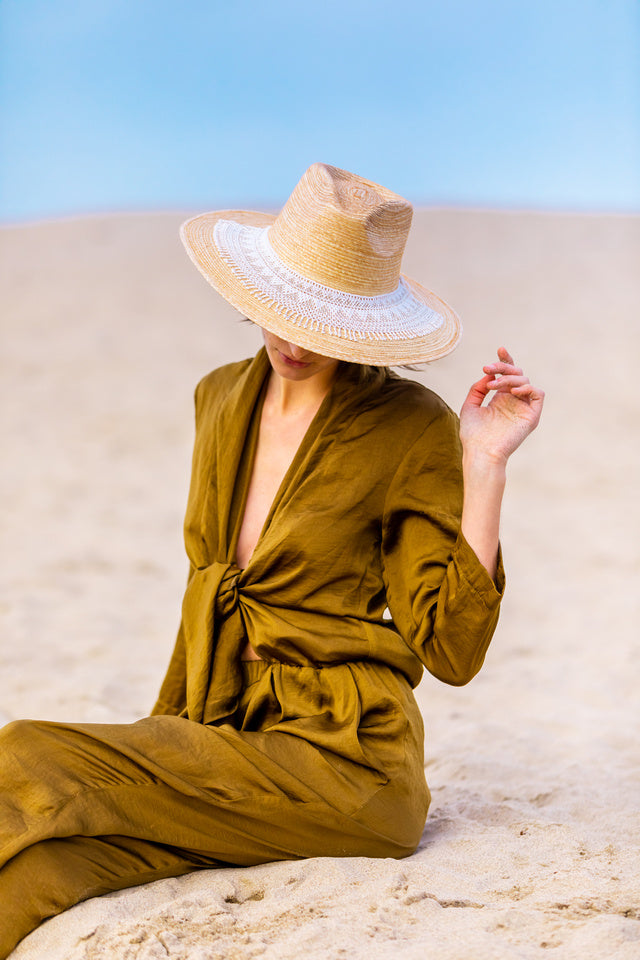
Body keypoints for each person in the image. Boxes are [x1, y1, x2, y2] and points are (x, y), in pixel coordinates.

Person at [0, 163, 543, 956]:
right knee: (48, 864)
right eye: (280, 311)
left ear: (361, 322)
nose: (291, 340)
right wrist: (172, 726)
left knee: (28, 753)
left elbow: (452, 650)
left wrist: (485, 463)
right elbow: (205, 588)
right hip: (228, 731)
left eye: (319, 322)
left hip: (344, 761)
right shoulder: (218, 397)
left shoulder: (406, 426)